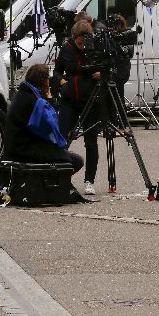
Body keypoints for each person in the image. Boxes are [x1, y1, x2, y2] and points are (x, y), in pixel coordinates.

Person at [5, 64, 84, 173]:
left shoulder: (23, 94)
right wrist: (49, 98)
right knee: (74, 161)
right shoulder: (35, 101)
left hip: (16, 146)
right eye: (48, 79)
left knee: (64, 155)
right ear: (43, 81)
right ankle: (59, 186)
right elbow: (51, 126)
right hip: (25, 150)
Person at [53, 19, 102, 195]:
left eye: (85, 42)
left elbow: (108, 66)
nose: (82, 46)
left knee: (91, 141)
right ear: (74, 38)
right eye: (80, 43)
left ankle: (89, 180)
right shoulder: (66, 49)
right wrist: (61, 81)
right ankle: (58, 175)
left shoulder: (95, 47)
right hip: (70, 99)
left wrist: (100, 73)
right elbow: (57, 71)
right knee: (62, 138)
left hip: (90, 99)